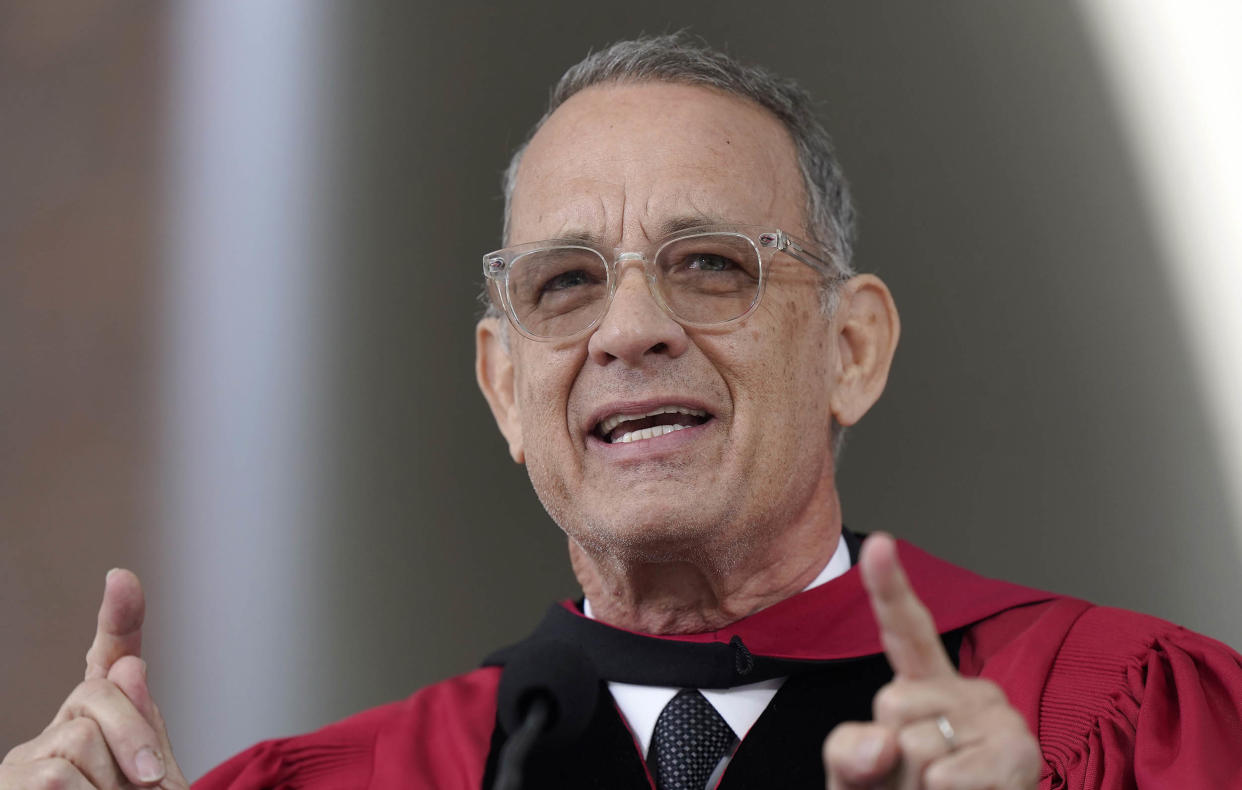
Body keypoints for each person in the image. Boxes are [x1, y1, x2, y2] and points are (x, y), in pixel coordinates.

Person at [4, 34, 1241, 790]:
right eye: (565, 284)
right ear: (505, 387)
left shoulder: (1127, 721)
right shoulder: (348, 782)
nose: (630, 329)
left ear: (851, 348)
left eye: (711, 264)